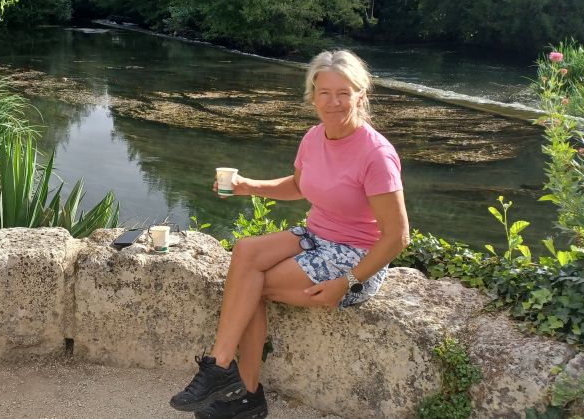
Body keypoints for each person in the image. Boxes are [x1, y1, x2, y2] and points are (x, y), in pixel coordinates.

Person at [169, 50, 410, 419]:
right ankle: (225, 374)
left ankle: (241, 390)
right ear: (312, 96)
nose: (333, 102)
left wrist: (347, 282)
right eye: (324, 92)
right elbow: (298, 185)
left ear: (361, 95)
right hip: (316, 234)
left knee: (253, 287)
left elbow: (397, 237)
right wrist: (248, 185)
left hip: (356, 257)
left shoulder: (376, 155)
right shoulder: (314, 137)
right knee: (246, 252)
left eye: (343, 93)